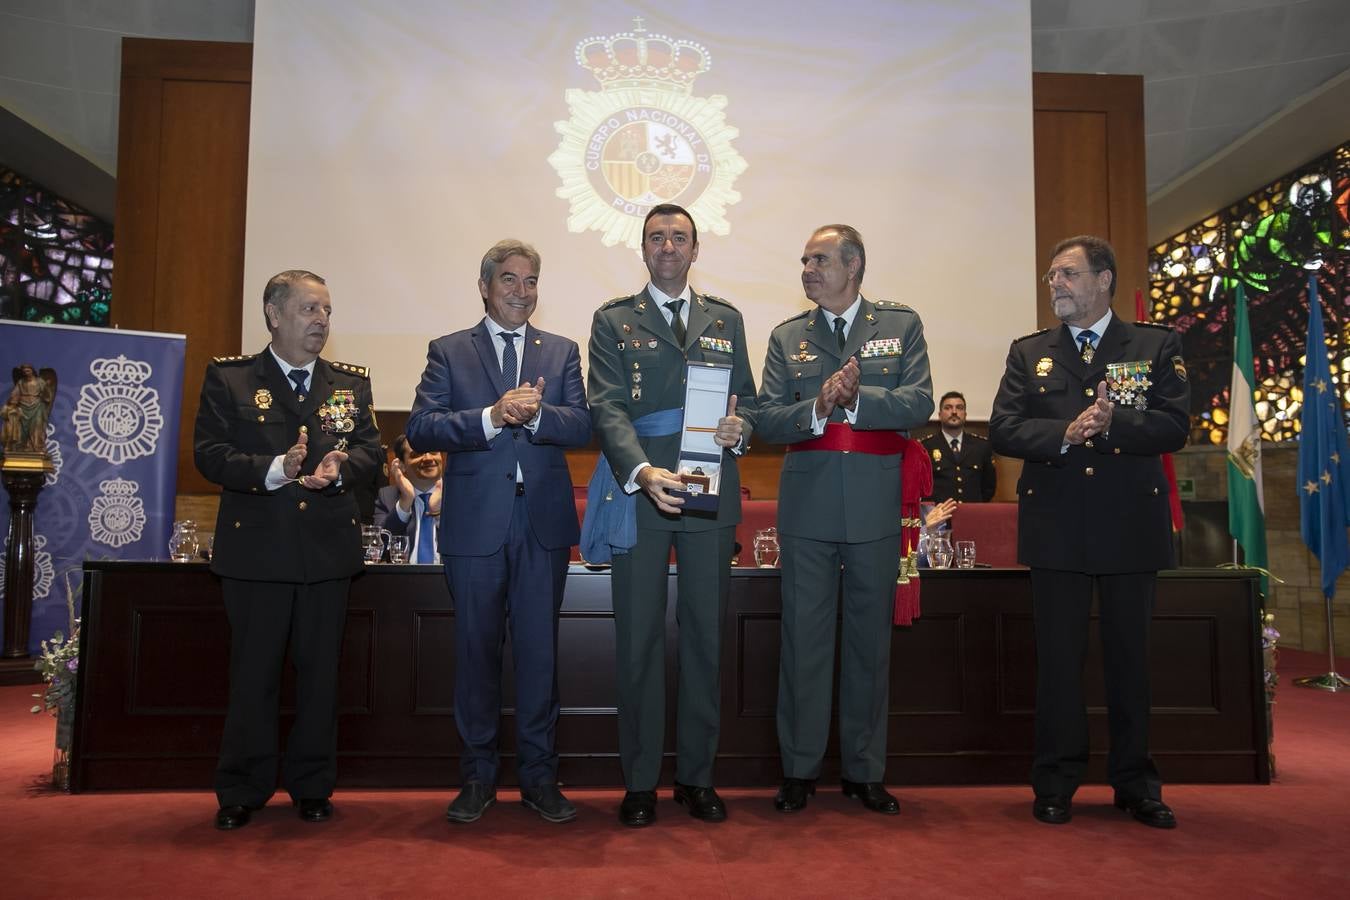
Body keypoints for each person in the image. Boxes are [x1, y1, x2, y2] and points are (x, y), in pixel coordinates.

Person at [989, 234, 1189, 829]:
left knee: (1131, 662)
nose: (1057, 285)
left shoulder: (1154, 344)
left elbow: (1174, 425)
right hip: (1057, 525)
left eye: (1069, 274)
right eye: (1052, 276)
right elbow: (1004, 429)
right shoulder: (1031, 353)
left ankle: (1135, 783)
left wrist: (1112, 423)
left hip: (1130, 524)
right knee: (1057, 663)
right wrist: (1066, 436)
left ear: (1104, 279)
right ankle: (1055, 782)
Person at [583, 203, 756, 827]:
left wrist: (742, 428)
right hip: (642, 491)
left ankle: (697, 778)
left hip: (711, 495)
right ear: (643, 249)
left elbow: (751, 406)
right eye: (656, 237)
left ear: (695, 248)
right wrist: (643, 473)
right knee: (638, 640)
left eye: (679, 237)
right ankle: (638, 782)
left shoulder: (725, 319)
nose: (668, 247)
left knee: (707, 638)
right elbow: (605, 408)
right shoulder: (612, 320)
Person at [406, 239, 590, 825]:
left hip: (541, 524)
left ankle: (540, 778)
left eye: (530, 281)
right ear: (484, 286)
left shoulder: (560, 351)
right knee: (476, 653)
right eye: (509, 280)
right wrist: (492, 415)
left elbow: (583, 425)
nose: (521, 291)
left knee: (539, 657)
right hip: (475, 525)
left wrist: (537, 414)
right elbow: (422, 425)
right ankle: (477, 777)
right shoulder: (449, 351)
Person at [194, 269, 381, 830]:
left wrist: (342, 467)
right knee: (254, 674)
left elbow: (373, 449)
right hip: (257, 555)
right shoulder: (230, 379)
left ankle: (312, 785)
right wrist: (275, 469)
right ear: (273, 315)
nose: (321, 320)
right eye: (308, 309)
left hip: (326, 554)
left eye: (325, 310)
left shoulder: (348, 383)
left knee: (320, 675)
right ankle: (242, 787)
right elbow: (209, 454)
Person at [756, 224, 933, 815]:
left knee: (867, 645)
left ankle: (865, 770)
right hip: (806, 505)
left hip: (876, 504)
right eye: (804, 259)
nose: (807, 268)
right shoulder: (788, 336)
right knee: (803, 642)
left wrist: (858, 402)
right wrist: (820, 406)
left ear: (853, 266)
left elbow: (919, 402)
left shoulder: (900, 325)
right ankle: (799, 769)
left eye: (820, 259)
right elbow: (767, 419)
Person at [372, 433, 444, 563]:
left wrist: (440, 516)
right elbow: (379, 548)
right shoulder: (387, 497)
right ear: (402, 465)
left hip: (447, 578)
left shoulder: (460, 495)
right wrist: (405, 502)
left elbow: (471, 543)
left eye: (433, 452)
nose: (428, 458)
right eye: (416, 454)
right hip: (404, 579)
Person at [921, 391, 997, 502]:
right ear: (939, 415)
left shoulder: (982, 446)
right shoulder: (926, 447)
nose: (954, 412)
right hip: (940, 515)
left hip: (972, 514)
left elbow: (989, 487)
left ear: (965, 415)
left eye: (959, 408)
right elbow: (921, 486)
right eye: (948, 408)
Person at [3, 363, 56, 453]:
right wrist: (12, 403)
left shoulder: (40, 381)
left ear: (32, 371)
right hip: (23, 406)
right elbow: (15, 394)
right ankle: (22, 447)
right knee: (22, 428)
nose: (26, 372)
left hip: (37, 406)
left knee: (37, 426)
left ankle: (37, 447)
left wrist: (45, 392)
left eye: (28, 370)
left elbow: (47, 395)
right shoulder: (21, 382)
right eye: (24, 371)